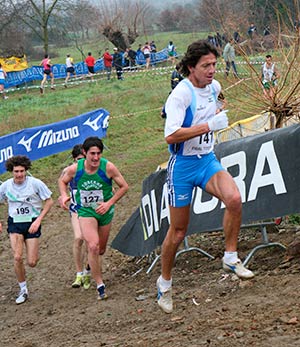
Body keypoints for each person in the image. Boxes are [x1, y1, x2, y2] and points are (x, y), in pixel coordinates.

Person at [156, 40, 254, 314]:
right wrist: (209, 125)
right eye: (206, 65)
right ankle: (164, 283)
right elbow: (171, 135)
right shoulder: (180, 95)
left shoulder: (215, 87)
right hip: (183, 166)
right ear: (191, 67)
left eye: (214, 64)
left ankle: (231, 257)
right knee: (178, 232)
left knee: (234, 198)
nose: (212, 70)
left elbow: (219, 100)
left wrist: (219, 111)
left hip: (207, 160)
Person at [58, 137, 129, 300]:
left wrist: (109, 203)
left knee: (101, 249)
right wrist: (63, 195)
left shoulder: (108, 167)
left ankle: (90, 268)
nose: (96, 158)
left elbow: (124, 187)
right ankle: (100, 284)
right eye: (92, 154)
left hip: (105, 212)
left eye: (98, 153)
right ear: (84, 153)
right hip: (86, 211)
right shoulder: (76, 169)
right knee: (93, 246)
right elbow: (62, 181)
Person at [0, 155, 53, 304]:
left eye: (22, 171)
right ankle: (23, 289)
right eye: (16, 171)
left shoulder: (36, 184)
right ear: (11, 171)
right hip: (15, 224)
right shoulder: (5, 186)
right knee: (17, 257)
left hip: (32, 223)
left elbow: (49, 201)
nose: (19, 175)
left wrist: (39, 220)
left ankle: (33, 254)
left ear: (26, 170)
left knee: (32, 262)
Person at [59, 144, 91, 289]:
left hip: (92, 209)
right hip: (76, 209)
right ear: (73, 159)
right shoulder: (69, 171)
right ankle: (79, 273)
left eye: (83, 159)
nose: (81, 162)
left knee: (91, 242)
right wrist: (64, 196)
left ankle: (87, 271)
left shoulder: (93, 169)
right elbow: (62, 183)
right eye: (78, 159)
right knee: (79, 238)